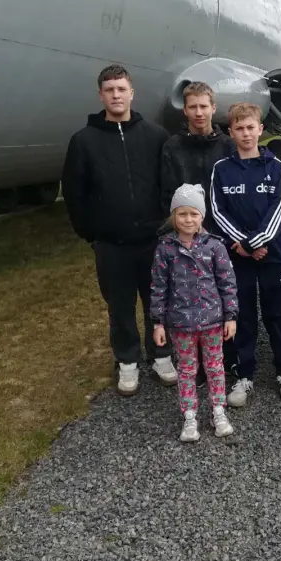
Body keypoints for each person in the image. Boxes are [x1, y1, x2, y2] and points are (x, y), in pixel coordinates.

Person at [61, 64, 172, 396]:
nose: (116, 95)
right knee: (120, 305)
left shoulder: (155, 136)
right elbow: (74, 192)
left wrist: (164, 223)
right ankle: (127, 360)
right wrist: (91, 232)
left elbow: (167, 184)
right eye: (109, 90)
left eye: (121, 89)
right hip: (111, 244)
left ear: (131, 93)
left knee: (157, 301)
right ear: (101, 95)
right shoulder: (83, 141)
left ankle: (161, 355)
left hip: (153, 240)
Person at [210, 103, 281, 407]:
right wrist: (243, 245)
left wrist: (255, 242)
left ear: (260, 130)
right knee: (243, 314)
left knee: (276, 314)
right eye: (240, 128)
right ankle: (244, 374)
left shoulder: (275, 167)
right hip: (237, 257)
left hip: (271, 254)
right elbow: (217, 211)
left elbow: (278, 211)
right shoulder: (222, 169)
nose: (246, 133)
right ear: (231, 132)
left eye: (251, 127)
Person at [150, 184, 238, 442]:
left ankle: (218, 410)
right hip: (180, 324)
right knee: (187, 370)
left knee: (215, 367)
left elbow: (227, 283)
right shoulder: (165, 249)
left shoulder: (214, 246)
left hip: (212, 322)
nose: (188, 219)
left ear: (202, 216)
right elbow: (158, 288)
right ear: (173, 216)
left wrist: (231, 316)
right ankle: (189, 415)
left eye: (193, 214)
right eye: (182, 214)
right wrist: (158, 323)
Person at [160, 82, 235, 233]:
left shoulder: (229, 146)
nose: (199, 113)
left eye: (204, 106)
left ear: (213, 108)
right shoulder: (172, 146)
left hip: (224, 231)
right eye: (193, 107)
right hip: (186, 231)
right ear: (185, 110)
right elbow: (167, 195)